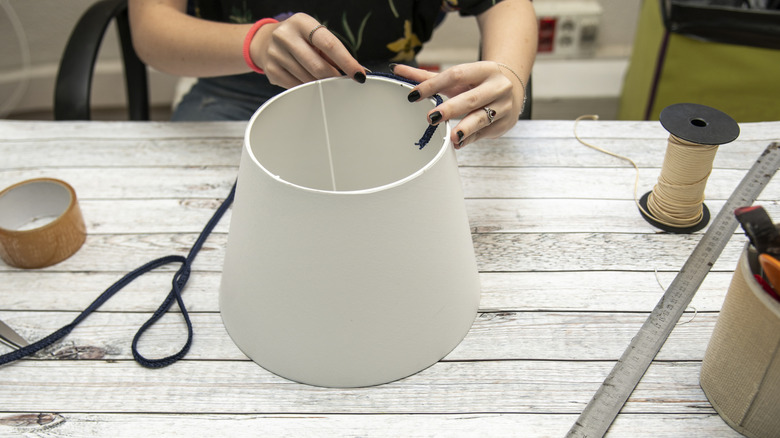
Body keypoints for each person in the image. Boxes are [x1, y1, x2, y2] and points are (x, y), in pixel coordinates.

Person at [128, 0, 537, 149]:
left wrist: (509, 74)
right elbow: (151, 27)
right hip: (235, 92)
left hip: (387, 93)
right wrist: (258, 43)